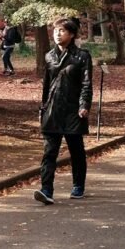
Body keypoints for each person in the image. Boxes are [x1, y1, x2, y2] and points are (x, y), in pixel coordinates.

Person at [34, 18, 93, 204]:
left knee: (76, 150)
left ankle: (78, 185)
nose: (57, 34)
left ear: (72, 34)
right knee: (49, 152)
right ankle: (46, 190)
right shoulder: (49, 56)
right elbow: (47, 85)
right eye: (55, 31)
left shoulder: (82, 56)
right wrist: (43, 108)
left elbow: (86, 84)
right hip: (53, 110)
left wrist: (84, 105)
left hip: (74, 110)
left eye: (62, 31)